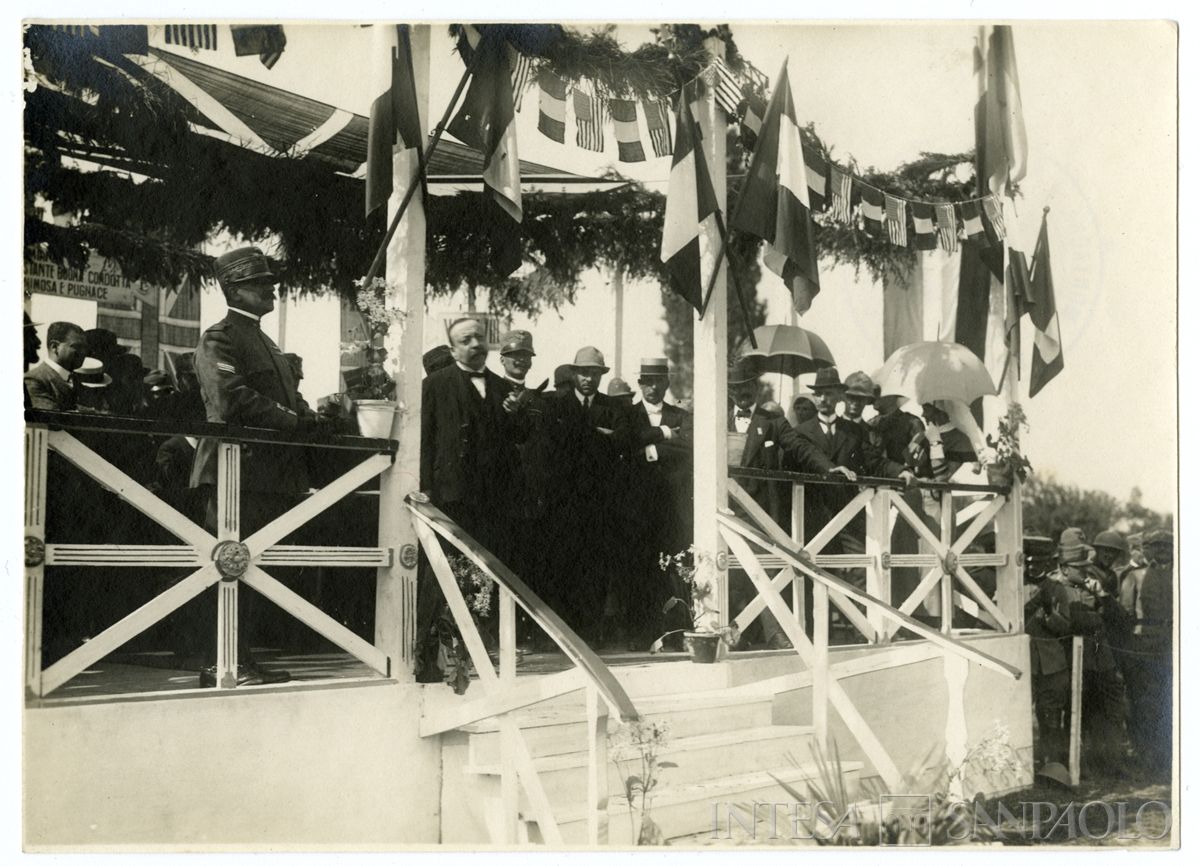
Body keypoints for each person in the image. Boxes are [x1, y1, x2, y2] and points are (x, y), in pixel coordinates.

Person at [191, 246, 328, 687]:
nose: (271, 289)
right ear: (233, 288)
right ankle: (219, 662)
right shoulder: (221, 337)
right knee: (227, 565)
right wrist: (294, 423)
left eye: (270, 282)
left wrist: (312, 420)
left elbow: (287, 397)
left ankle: (241, 656)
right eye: (259, 283)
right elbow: (230, 398)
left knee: (252, 570)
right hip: (237, 474)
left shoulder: (266, 342)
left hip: (270, 476)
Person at [417, 317, 528, 672]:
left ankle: (474, 649)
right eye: (466, 340)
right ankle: (427, 656)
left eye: (480, 338)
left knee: (483, 574)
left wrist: (515, 415)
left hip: (491, 500)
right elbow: (425, 439)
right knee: (440, 572)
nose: (475, 344)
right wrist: (424, 490)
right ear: (453, 349)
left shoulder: (500, 386)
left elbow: (517, 439)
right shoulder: (434, 385)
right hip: (449, 497)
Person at [541, 346, 632, 643]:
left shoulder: (614, 408)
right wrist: (598, 436)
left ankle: (592, 634)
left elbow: (622, 443)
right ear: (574, 373)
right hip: (564, 503)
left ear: (601, 376)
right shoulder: (556, 405)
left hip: (600, 504)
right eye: (583, 372)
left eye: (594, 373)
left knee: (596, 568)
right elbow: (551, 449)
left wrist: (598, 437)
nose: (588, 379)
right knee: (564, 565)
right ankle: (565, 634)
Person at [624, 358, 692, 650]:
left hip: (673, 506)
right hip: (638, 507)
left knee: (675, 568)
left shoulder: (680, 415)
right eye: (647, 381)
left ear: (667, 383)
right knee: (640, 569)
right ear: (639, 384)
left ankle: (676, 632)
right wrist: (658, 446)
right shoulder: (628, 414)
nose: (653, 387)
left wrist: (646, 446)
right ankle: (640, 633)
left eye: (659, 381)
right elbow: (624, 445)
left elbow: (687, 449)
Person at [1046, 528, 1124, 777]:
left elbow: (1119, 617)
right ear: (1064, 565)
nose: (1084, 570)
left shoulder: (1096, 582)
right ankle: (1077, 763)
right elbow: (1066, 623)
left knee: (1109, 710)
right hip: (1072, 657)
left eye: (1085, 565)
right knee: (1076, 711)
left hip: (1101, 656)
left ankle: (1110, 762)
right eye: (1078, 566)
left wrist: (1102, 594)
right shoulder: (1054, 586)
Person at [1122, 529, 1173, 777]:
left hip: (1174, 643)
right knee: (1146, 701)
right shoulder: (1136, 576)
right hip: (1145, 645)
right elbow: (1125, 612)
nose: (1162, 551)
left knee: (1171, 699)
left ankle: (1170, 757)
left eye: (1167, 546)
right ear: (1147, 549)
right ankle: (1148, 757)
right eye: (1157, 546)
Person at [25, 320, 87, 410]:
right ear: (54, 347)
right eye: (77, 347)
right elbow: (53, 418)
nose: (84, 352)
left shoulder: (76, 380)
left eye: (85, 347)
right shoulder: (34, 380)